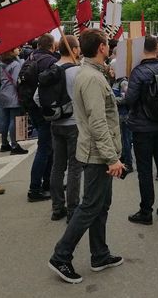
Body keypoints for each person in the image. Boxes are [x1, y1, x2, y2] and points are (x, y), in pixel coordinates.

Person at [48, 29, 124, 284]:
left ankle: (99, 254)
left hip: (98, 151)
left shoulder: (94, 73)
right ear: (102, 47)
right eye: (107, 44)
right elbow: (97, 121)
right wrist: (111, 158)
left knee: (101, 205)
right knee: (90, 206)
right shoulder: (91, 77)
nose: (109, 47)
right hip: (97, 154)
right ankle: (61, 255)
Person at [123, 35, 158, 225]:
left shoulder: (138, 72)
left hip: (142, 127)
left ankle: (146, 211)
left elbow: (130, 100)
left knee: (145, 171)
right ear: (157, 48)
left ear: (141, 49)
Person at [45, 35, 83, 222]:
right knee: (75, 168)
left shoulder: (51, 69)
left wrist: (54, 111)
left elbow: (38, 97)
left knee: (57, 167)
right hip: (75, 124)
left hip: (55, 123)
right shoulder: (78, 71)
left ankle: (57, 207)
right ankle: (73, 209)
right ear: (74, 50)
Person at [25, 34, 58, 202]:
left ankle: (48, 183)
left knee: (48, 147)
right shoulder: (49, 62)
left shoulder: (30, 58)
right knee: (44, 148)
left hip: (32, 108)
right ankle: (35, 188)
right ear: (52, 46)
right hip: (45, 109)